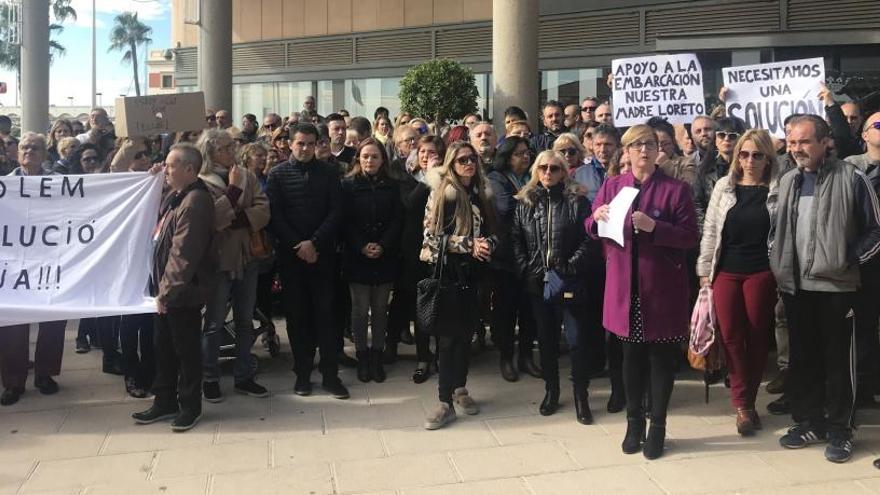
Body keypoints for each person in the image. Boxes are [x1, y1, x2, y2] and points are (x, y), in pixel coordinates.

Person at [771, 115, 880, 463]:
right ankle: (810, 421)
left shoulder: (852, 177)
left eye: (804, 141)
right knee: (804, 360)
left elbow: (875, 231)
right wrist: (777, 259)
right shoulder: (787, 180)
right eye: (791, 142)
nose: (796, 148)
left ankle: (840, 429)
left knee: (838, 362)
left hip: (837, 289)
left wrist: (847, 260)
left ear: (824, 142)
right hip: (795, 288)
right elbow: (775, 230)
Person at [585, 124, 699, 459]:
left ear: (658, 150)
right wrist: (596, 217)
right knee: (630, 360)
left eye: (648, 145)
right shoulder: (613, 185)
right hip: (624, 290)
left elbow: (690, 236)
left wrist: (656, 227)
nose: (643, 151)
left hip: (661, 290)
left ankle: (658, 427)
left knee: (661, 360)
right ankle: (634, 424)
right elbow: (591, 228)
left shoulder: (675, 190)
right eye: (635, 146)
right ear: (626, 151)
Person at [697, 129, 779, 435]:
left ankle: (750, 397)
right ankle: (742, 404)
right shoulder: (724, 186)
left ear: (768, 158)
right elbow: (711, 230)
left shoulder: (778, 188)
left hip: (761, 271)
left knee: (757, 336)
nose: (749, 160)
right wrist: (705, 271)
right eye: (743, 154)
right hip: (726, 271)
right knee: (730, 336)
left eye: (757, 155)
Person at [132, 143, 217, 432]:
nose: (166, 170)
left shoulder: (195, 202)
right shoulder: (178, 195)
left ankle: (190, 406)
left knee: (185, 352)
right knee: (164, 349)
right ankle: (164, 400)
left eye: (170, 166)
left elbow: (184, 255)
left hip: (182, 293)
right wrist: (155, 175)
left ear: (190, 169)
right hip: (167, 292)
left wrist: (166, 293)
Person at [511, 150, 595, 424]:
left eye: (554, 168)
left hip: (570, 281)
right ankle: (552, 390)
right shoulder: (525, 203)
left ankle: (581, 395)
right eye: (543, 168)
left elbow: (588, 238)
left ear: (564, 171)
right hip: (539, 283)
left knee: (576, 340)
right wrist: (528, 269)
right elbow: (516, 240)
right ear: (536, 170)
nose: (548, 173)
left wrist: (569, 266)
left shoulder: (577, 201)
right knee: (546, 341)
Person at [267, 123, 349, 399]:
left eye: (310, 144)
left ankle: (330, 375)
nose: (305, 149)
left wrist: (314, 243)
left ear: (317, 144)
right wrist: (299, 246)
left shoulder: (328, 172)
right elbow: (275, 217)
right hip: (292, 259)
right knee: (297, 318)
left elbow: (337, 212)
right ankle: (302, 374)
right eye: (300, 143)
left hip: (323, 256)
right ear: (289, 144)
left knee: (326, 316)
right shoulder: (277, 175)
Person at [421, 141, 498, 430]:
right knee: (448, 339)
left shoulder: (481, 194)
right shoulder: (443, 194)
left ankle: (460, 389)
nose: (468, 164)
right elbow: (430, 238)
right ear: (451, 164)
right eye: (462, 159)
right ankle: (444, 401)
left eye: (472, 159)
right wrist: (469, 244)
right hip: (449, 274)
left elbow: (494, 233)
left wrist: (487, 243)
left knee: (467, 334)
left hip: (475, 274)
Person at [196, 129, 271, 402]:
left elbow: (264, 210)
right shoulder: (201, 180)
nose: (232, 152)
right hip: (219, 261)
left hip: (247, 256)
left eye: (233, 146)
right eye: (226, 148)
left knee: (244, 319)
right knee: (214, 322)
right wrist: (235, 192)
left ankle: (244, 375)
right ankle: (210, 377)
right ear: (212, 151)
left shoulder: (246, 174)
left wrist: (239, 218)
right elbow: (211, 218)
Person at [0, 133, 67, 407]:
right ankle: (14, 382)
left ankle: (45, 374)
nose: (30, 151)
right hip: (13, 264)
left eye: (36, 148)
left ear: (44, 153)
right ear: (17, 153)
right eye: (25, 147)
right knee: (13, 324)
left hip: (50, 260)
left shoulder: (61, 184)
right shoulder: (6, 185)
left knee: (53, 318)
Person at [341, 138, 403, 383]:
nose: (369, 161)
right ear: (358, 159)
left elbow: (397, 219)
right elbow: (344, 221)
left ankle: (377, 354)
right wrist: (361, 246)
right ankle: (362, 355)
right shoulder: (347, 185)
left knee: (380, 310)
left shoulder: (393, 185)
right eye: (365, 156)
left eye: (374, 156)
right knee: (359, 310)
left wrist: (383, 245)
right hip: (358, 257)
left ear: (382, 160)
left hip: (384, 256)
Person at [386, 136, 446, 380]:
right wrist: (429, 178)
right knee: (408, 301)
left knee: (437, 304)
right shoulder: (406, 179)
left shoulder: (448, 179)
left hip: (439, 251)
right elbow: (410, 205)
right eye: (422, 151)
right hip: (412, 251)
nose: (426, 156)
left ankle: (438, 355)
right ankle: (410, 351)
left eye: (432, 152)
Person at [487, 136, 539, 382]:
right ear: (508, 157)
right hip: (505, 257)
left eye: (528, 152)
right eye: (519, 153)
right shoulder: (497, 178)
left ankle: (526, 356)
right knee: (506, 311)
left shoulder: (532, 176)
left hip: (532, 254)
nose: (526, 156)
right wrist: (534, 194)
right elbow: (506, 207)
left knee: (529, 309)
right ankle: (506, 357)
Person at [846, 112, 880, 409]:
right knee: (864, 328)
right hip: (866, 263)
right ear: (865, 134)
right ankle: (865, 386)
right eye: (879, 124)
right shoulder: (851, 168)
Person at [694, 117, 746, 228]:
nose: (726, 139)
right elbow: (697, 205)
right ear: (715, 140)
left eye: (732, 136)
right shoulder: (703, 169)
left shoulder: (749, 167)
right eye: (721, 135)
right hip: (714, 231)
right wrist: (708, 232)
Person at [574, 124, 618, 204]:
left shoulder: (626, 171)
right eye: (598, 144)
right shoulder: (579, 174)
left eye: (608, 144)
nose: (603, 150)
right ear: (592, 146)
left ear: (617, 146)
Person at [649, 117, 696, 185]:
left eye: (665, 144)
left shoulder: (686, 163)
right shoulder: (643, 163)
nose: (660, 149)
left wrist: (665, 164)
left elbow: (689, 187)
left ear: (673, 143)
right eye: (654, 144)